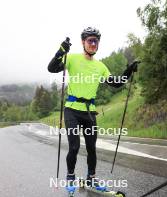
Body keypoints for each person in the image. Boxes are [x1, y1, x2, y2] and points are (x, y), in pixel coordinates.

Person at [48, 27, 138, 187]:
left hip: (89, 113)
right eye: (90, 40)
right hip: (72, 111)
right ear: (83, 42)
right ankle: (70, 176)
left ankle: (91, 177)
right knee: (74, 147)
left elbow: (116, 83)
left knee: (91, 147)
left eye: (96, 41)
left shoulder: (101, 66)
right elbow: (52, 68)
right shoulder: (72, 58)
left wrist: (129, 71)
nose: (93, 44)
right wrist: (61, 51)